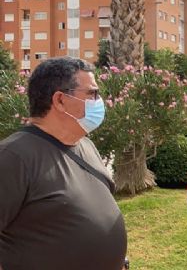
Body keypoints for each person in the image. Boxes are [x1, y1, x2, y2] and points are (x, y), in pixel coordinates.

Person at [0, 57, 127, 270]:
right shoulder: (13, 156)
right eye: (92, 94)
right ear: (60, 100)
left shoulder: (86, 145)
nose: (99, 101)